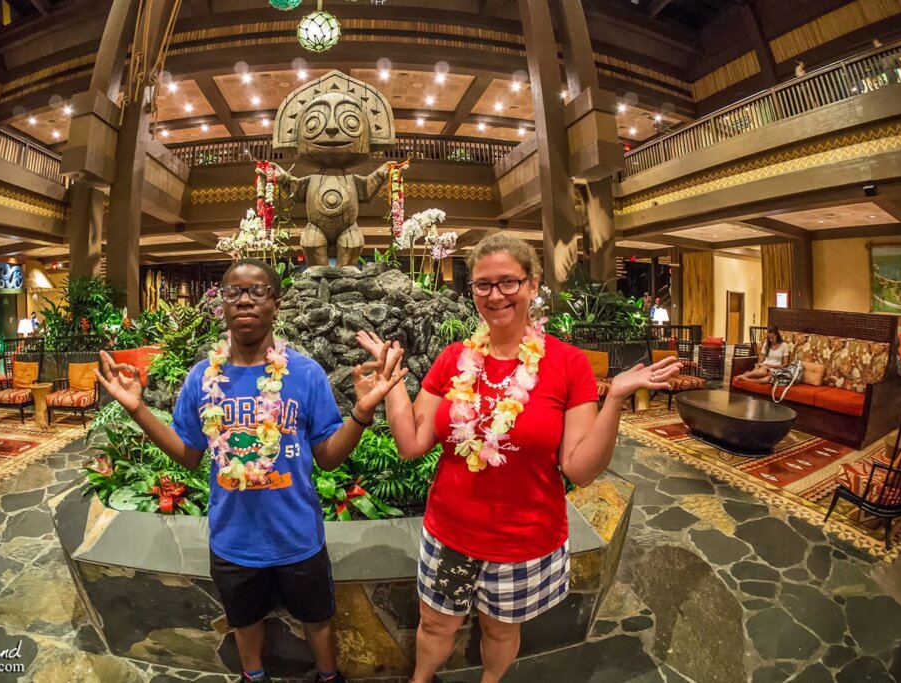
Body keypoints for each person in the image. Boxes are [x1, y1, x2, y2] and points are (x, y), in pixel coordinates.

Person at [356, 234, 681, 683]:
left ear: (532, 284)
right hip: (450, 530)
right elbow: (412, 444)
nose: (496, 295)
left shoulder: (568, 365)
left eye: (508, 281)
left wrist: (617, 399)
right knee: (435, 624)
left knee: (500, 630)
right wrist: (390, 385)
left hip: (523, 539)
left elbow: (580, 470)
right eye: (482, 284)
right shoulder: (453, 359)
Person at [95, 258, 406, 683]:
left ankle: (329, 677)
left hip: (298, 537)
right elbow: (188, 454)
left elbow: (329, 457)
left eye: (257, 291)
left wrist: (362, 413)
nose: (244, 299)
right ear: (222, 304)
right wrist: (136, 409)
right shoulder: (202, 377)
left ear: (276, 304)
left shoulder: (306, 373)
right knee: (244, 620)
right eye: (233, 291)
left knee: (317, 620)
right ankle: (252, 676)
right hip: (233, 540)